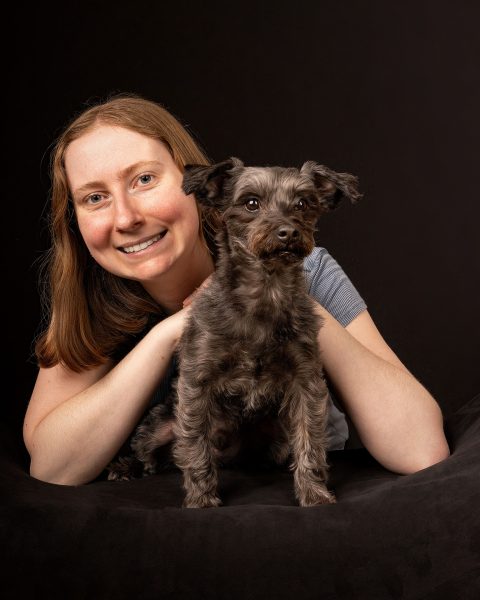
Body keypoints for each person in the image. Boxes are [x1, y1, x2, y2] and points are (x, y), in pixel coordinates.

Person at [23, 92, 450, 486]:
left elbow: (421, 448)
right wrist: (170, 332)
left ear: (198, 184)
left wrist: (288, 302)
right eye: (94, 198)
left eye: (144, 180)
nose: (126, 217)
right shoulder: (90, 299)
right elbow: (52, 467)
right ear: (74, 220)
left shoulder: (309, 270)